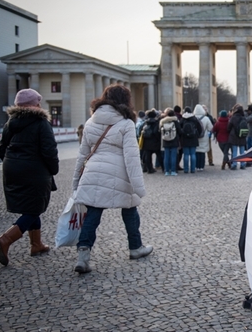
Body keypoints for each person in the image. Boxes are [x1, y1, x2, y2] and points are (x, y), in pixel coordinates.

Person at [72, 84, 152, 274]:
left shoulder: (91, 122)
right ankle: (135, 247)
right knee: (130, 210)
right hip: (119, 173)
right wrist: (139, 187)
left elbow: (82, 154)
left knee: (92, 214)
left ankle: (83, 256)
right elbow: (131, 158)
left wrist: (76, 180)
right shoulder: (125, 123)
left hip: (93, 172)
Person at [0, 89, 59, 266]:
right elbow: (49, 150)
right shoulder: (41, 123)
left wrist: (11, 162)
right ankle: (6, 239)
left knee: (30, 205)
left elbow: (2, 147)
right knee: (34, 207)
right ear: (36, 104)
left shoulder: (10, 123)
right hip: (34, 169)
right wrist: (53, 168)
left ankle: (36, 244)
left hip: (12, 167)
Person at [180, 106, 202, 174]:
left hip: (185, 139)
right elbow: (200, 129)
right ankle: (192, 169)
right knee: (193, 154)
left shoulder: (182, 119)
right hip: (193, 138)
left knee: (186, 155)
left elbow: (179, 129)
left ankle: (186, 169)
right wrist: (197, 135)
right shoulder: (194, 119)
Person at [140, 109, 163, 174]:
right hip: (155, 141)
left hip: (146, 142)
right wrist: (158, 139)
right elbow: (157, 132)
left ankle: (149, 169)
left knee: (148, 156)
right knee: (159, 156)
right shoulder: (156, 123)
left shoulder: (145, 123)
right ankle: (164, 168)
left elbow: (141, 132)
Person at [160, 108, 181, 176]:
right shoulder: (175, 121)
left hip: (165, 140)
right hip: (174, 140)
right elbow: (180, 131)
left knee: (166, 156)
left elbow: (159, 130)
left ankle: (166, 171)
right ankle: (173, 171)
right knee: (173, 156)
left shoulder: (163, 121)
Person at [227, 104, 248, 170]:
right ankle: (243, 164)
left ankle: (234, 164)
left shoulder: (233, 117)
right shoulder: (244, 118)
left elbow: (229, 127)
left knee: (234, 151)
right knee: (242, 151)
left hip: (234, 136)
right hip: (242, 136)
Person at [194, 104, 213, 171]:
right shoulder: (206, 118)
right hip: (204, 137)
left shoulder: (193, 118)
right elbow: (210, 128)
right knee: (202, 152)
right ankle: (201, 166)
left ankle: (196, 166)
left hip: (195, 137)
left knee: (196, 152)